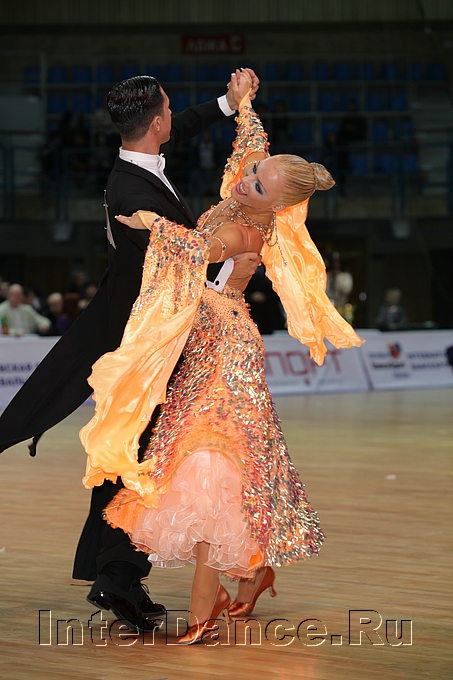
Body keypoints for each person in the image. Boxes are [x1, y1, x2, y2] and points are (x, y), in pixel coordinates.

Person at [81, 72, 363, 643]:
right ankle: (253, 576)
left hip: (224, 353)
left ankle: (203, 611)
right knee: (218, 466)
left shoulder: (245, 232)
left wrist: (152, 223)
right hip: (203, 344)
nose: (245, 180)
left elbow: (195, 251)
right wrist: (242, 105)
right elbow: (250, 150)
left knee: (210, 467)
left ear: (276, 205)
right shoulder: (249, 191)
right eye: (253, 173)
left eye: (258, 184)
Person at [0, 70, 261, 632]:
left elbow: (183, 127)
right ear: (156, 121)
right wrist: (238, 252)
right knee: (139, 459)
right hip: (141, 347)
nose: (174, 116)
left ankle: (115, 573)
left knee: (132, 458)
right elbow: (181, 256)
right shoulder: (134, 195)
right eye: (169, 108)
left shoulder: (136, 164)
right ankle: (117, 574)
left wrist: (228, 103)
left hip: (142, 333)